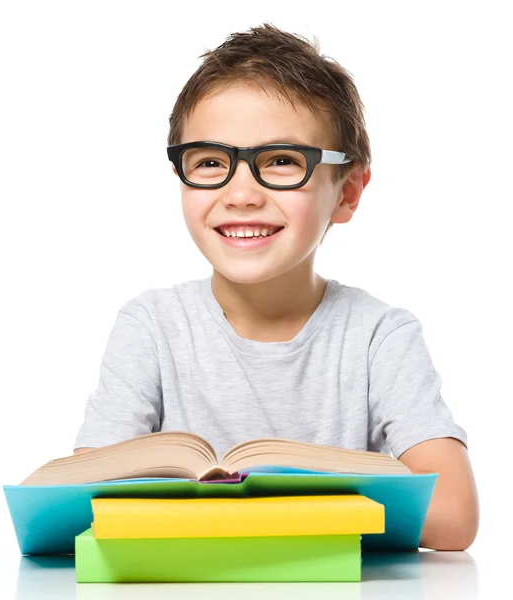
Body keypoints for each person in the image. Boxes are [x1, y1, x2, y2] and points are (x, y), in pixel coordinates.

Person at [73, 23, 478, 551]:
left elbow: (452, 515)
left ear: (347, 191)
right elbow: (81, 503)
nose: (241, 193)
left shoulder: (380, 336)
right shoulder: (150, 326)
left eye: (282, 161)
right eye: (211, 162)